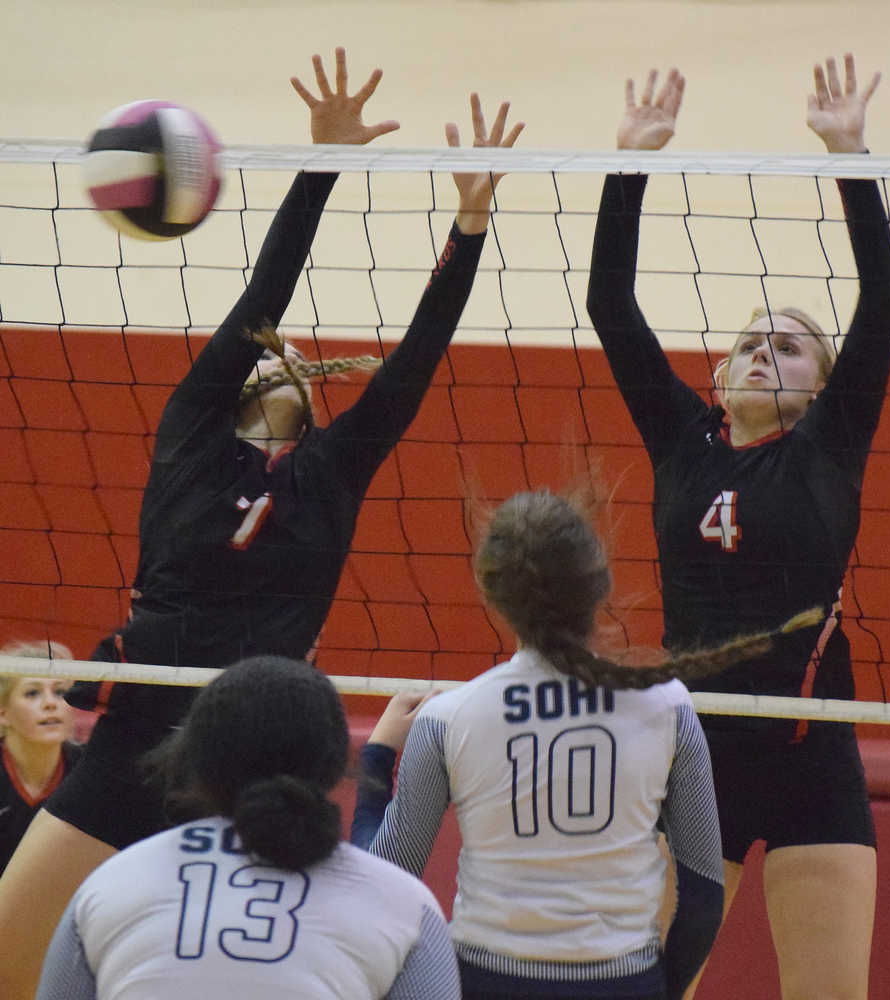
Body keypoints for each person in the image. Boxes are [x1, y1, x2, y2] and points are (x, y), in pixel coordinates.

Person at [0, 47, 523, 1000]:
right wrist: (324, 165)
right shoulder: (192, 435)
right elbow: (263, 296)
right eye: (271, 362)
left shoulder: (330, 476)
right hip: (134, 737)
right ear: (248, 379)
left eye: (299, 370)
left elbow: (413, 365)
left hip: (251, 762)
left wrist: (470, 228)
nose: (286, 364)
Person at [585, 55, 890, 1000]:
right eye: (749, 342)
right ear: (720, 376)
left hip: (814, 754)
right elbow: (610, 304)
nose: (765, 351)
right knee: (653, 986)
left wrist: (850, 156)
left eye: (791, 344)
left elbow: (882, 303)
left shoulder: (827, 448)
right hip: (698, 756)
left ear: (820, 383)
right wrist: (629, 164)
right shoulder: (686, 439)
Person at [351, 488, 824, 1000]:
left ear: (492, 592)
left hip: (487, 981)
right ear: (599, 585)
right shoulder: (667, 707)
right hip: (623, 982)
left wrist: (377, 755)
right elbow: (704, 899)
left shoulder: (448, 717)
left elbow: (382, 885)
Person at [34, 654, 461, 999]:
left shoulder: (110, 885)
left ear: (192, 759)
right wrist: (380, 754)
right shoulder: (405, 907)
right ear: (333, 769)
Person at [0, 642, 80, 875]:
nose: (50, 703)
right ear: (3, 713)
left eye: (60, 692)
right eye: (33, 693)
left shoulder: (91, 771)